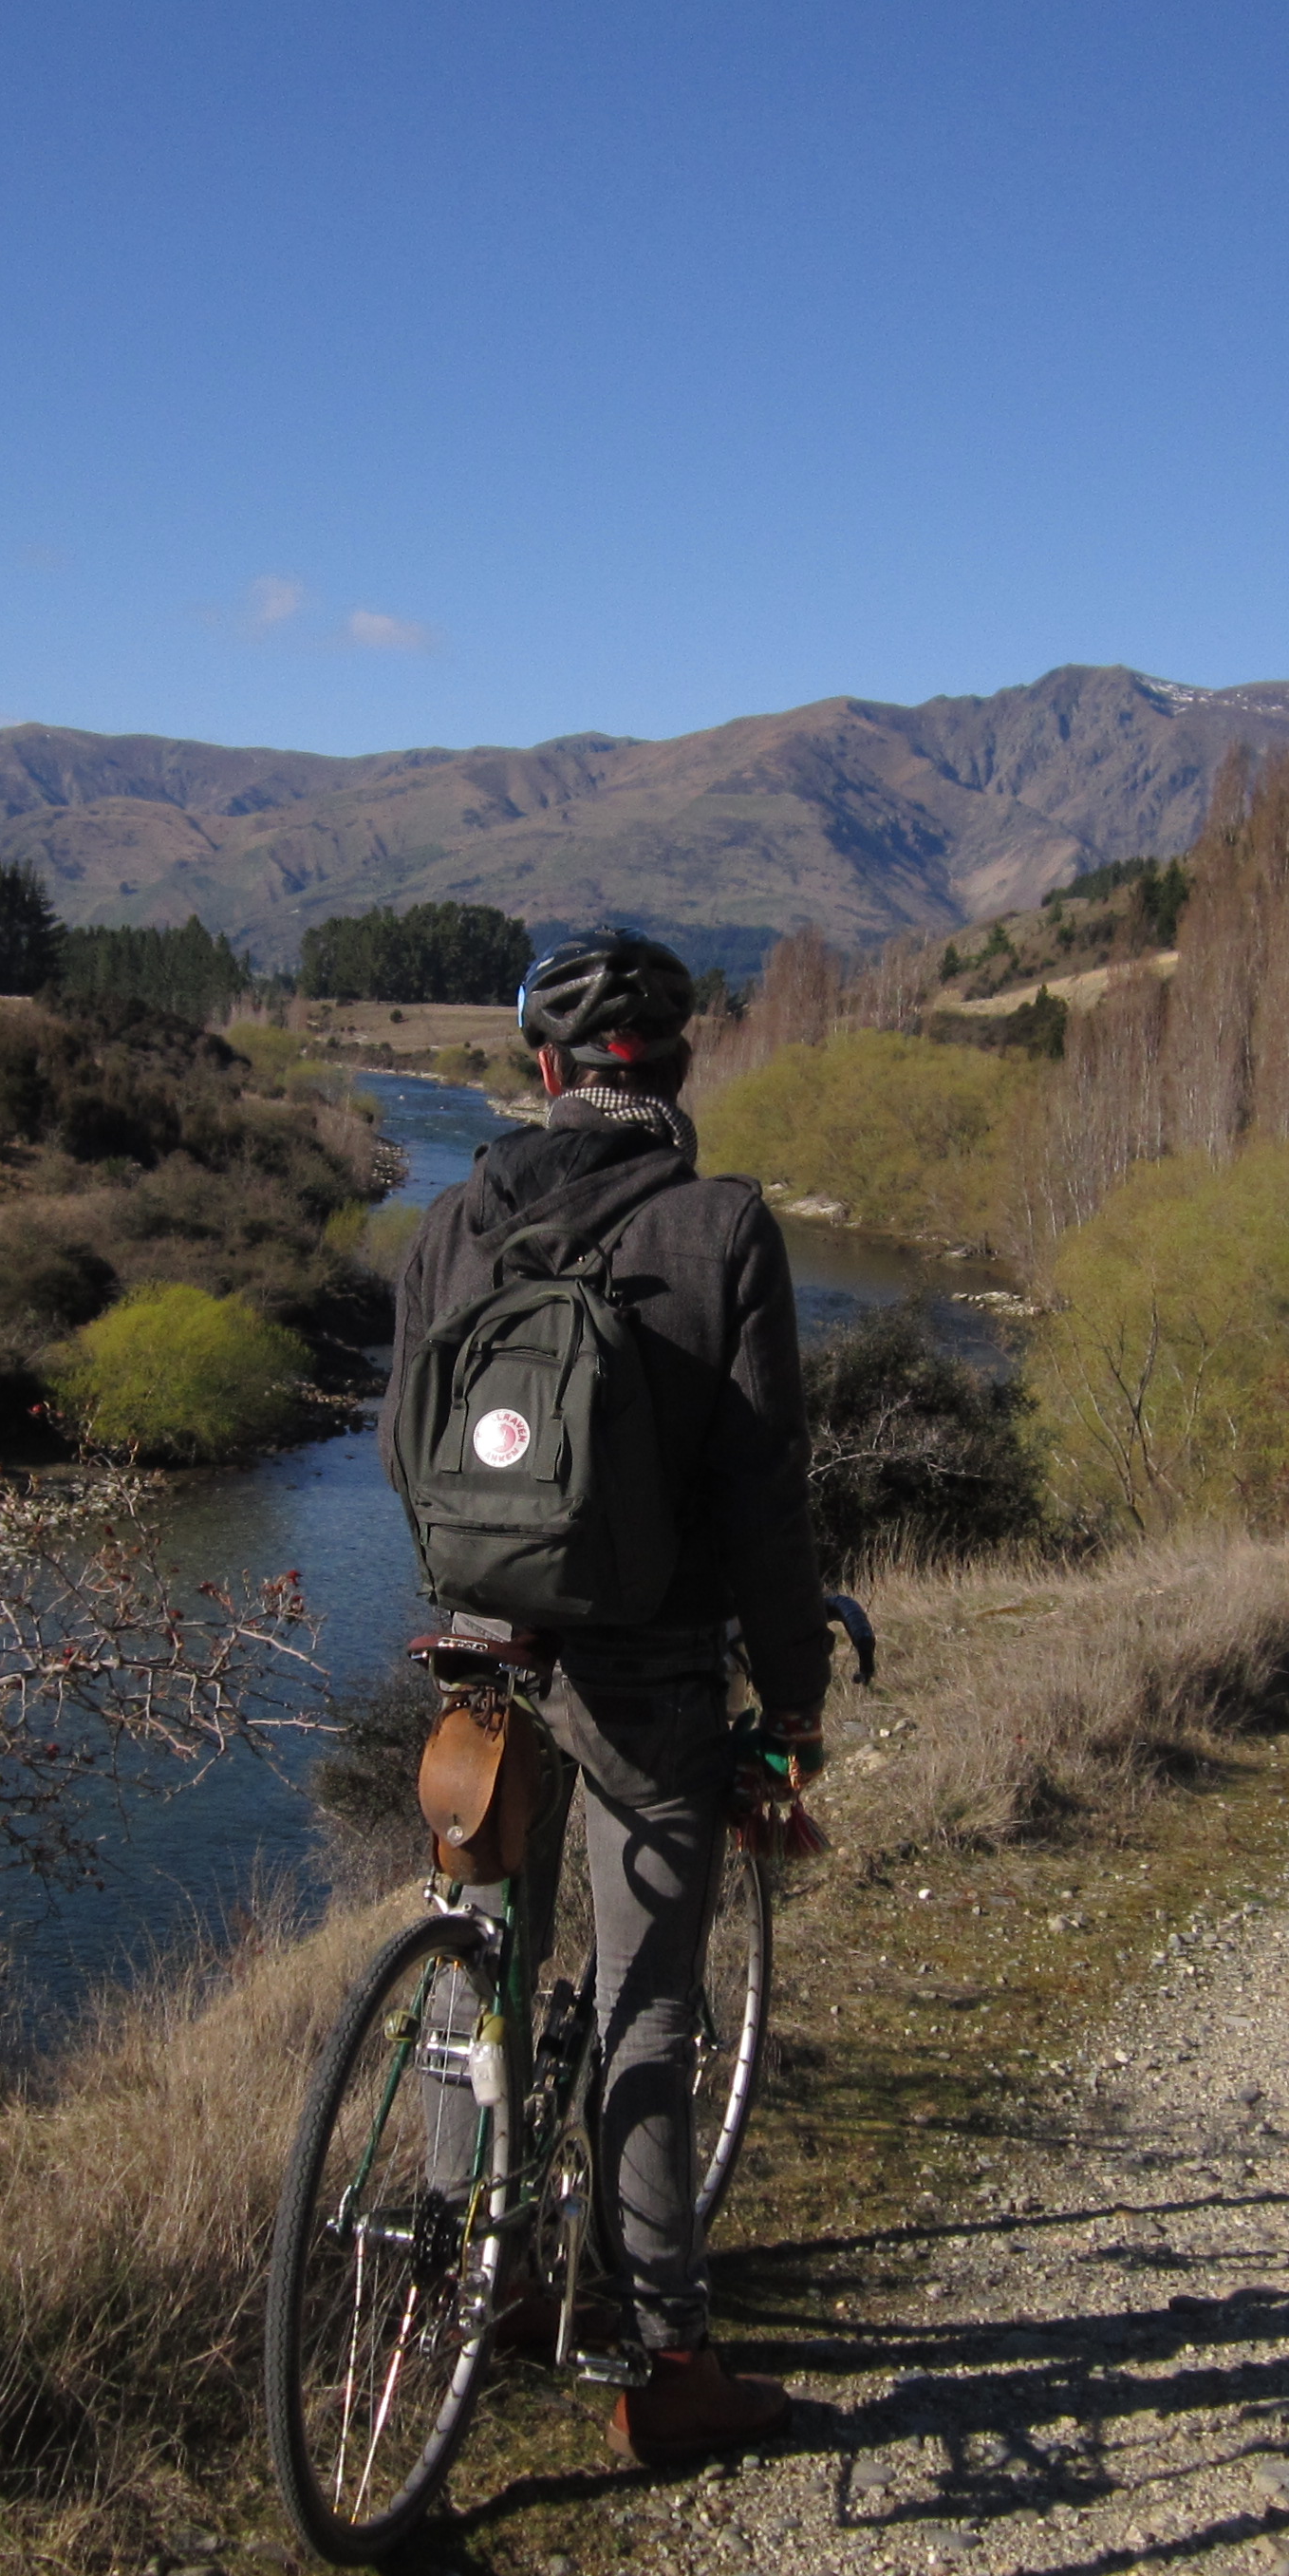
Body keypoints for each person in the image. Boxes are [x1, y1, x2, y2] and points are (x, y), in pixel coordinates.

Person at [382, 928, 826, 2467]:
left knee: (468, 1981)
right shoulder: (722, 1229)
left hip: (480, 1652)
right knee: (643, 2012)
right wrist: (794, 1702)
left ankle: (467, 2282)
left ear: (546, 1076)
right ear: (678, 1072)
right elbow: (768, 1497)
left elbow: (402, 1447)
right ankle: (664, 2361)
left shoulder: (453, 1219)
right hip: (649, 1675)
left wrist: (481, 1589)